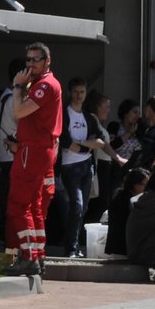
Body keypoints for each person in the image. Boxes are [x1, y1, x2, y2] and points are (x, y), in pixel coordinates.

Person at [2, 42, 63, 277]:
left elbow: (19, 112)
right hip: (38, 150)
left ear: (47, 61)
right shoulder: (42, 84)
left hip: (33, 151)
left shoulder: (45, 85)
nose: (30, 64)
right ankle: (37, 255)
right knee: (34, 207)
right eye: (28, 60)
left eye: (35, 59)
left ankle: (28, 258)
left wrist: (18, 88)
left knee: (18, 206)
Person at [56, 78, 104, 258]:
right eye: (75, 92)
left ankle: (74, 246)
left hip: (87, 166)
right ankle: (70, 248)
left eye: (82, 92)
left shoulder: (89, 117)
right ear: (69, 93)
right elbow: (68, 144)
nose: (78, 96)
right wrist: (88, 145)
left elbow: (100, 141)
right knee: (76, 206)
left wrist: (82, 144)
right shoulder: (64, 115)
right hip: (70, 166)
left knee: (82, 209)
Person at [0, 57, 27, 250]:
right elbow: (24, 127)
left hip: (4, 155)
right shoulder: (13, 100)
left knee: (3, 199)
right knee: (8, 201)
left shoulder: (5, 96)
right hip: (11, 156)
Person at [84, 91, 119, 224]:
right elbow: (102, 143)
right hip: (100, 167)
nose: (109, 110)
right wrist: (118, 158)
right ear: (98, 107)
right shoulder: (92, 119)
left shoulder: (95, 121)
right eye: (107, 106)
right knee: (99, 202)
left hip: (103, 166)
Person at [105, 166, 149, 258]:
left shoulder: (120, 194)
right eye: (145, 185)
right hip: (124, 248)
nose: (147, 189)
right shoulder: (129, 201)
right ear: (135, 184)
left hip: (117, 247)